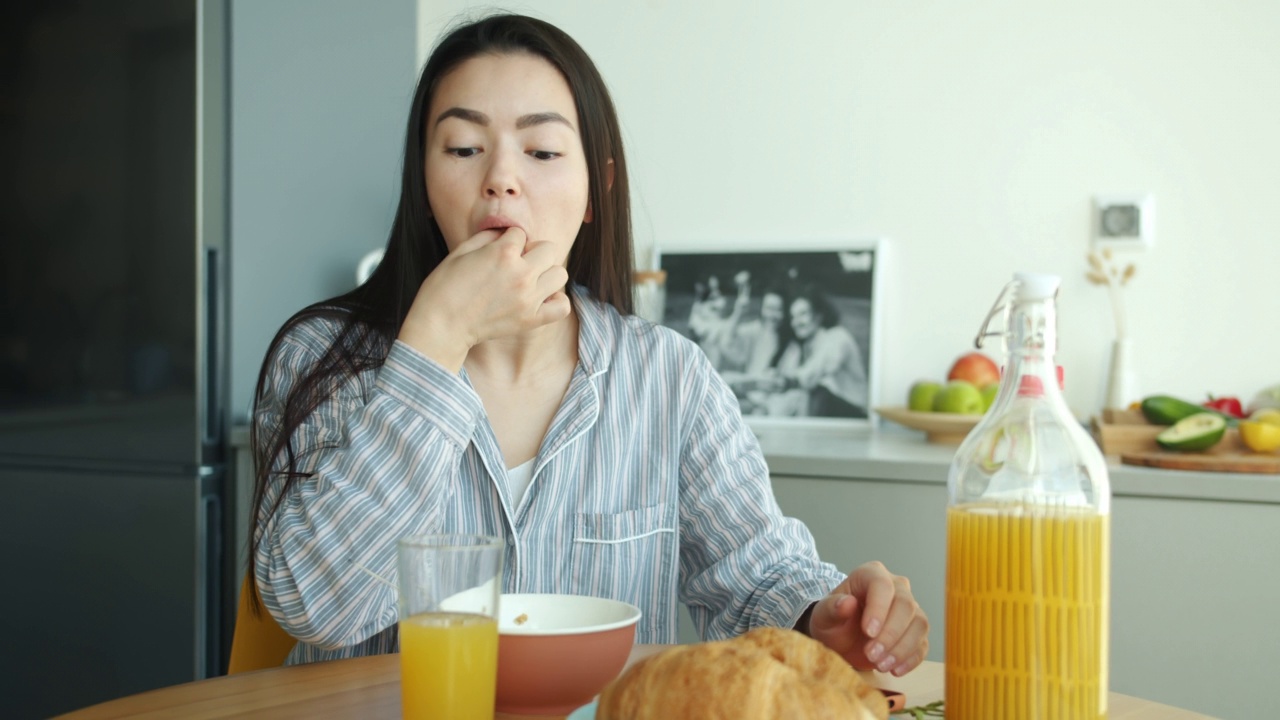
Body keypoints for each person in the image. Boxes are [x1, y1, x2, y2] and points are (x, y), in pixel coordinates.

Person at [248, 13, 927, 675]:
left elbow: (755, 578)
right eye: (462, 149)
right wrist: (438, 337)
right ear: (424, 185)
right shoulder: (324, 360)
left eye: (541, 152)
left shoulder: (669, 378)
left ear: (595, 190)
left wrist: (825, 617)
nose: (501, 180)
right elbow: (314, 605)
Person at [775, 284, 870, 418]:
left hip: (856, 412)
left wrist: (787, 381)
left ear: (819, 315)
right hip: (832, 412)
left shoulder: (838, 337)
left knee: (817, 392)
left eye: (803, 314)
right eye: (793, 317)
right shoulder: (807, 346)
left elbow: (814, 372)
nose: (796, 322)